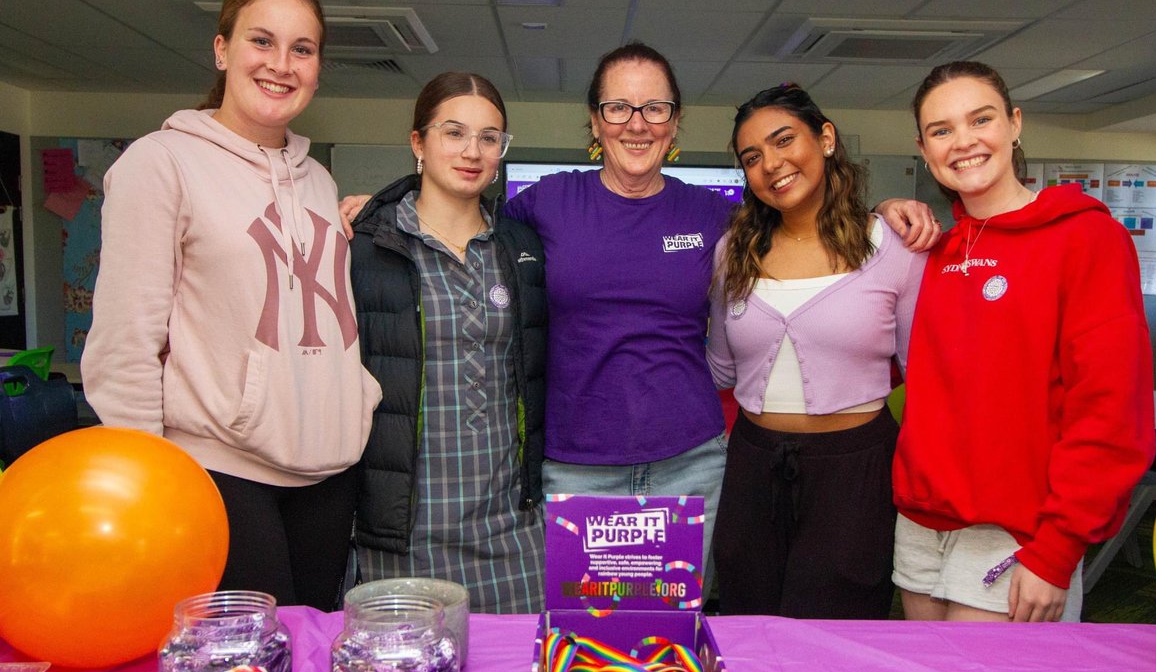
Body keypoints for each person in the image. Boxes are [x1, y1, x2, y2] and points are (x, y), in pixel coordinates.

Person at [342, 42, 939, 593]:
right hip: (575, 469)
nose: (637, 122)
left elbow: (801, 221)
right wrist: (385, 207)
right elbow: (458, 211)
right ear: (596, 122)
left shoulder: (714, 215)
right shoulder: (545, 204)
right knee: (585, 636)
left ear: (675, 122)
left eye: (654, 107)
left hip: (692, 464)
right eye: (618, 107)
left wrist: (886, 212)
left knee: (676, 632)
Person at [82, 0, 381, 611]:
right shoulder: (161, 163)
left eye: (302, 49)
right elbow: (125, 342)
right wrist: (149, 483)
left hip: (328, 473)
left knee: (311, 665)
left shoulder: (320, 181)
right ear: (222, 50)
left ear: (319, 68)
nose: (281, 64)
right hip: (224, 473)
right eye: (262, 41)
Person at [893, 60, 1155, 623]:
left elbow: (1111, 410)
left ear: (1014, 123)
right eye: (942, 130)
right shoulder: (937, 250)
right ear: (923, 147)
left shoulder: (1087, 238)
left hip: (1018, 530)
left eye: (980, 119)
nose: (963, 142)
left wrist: (1059, 548)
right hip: (922, 523)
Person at [706, 84, 926, 619]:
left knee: (837, 628)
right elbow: (721, 366)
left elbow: (924, 368)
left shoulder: (894, 247)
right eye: (752, 157)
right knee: (745, 619)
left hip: (855, 468)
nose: (771, 165)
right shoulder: (732, 251)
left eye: (784, 141)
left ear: (825, 138)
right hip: (753, 464)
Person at [349, 72, 548, 614]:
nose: (472, 151)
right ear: (418, 143)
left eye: (489, 138)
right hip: (404, 536)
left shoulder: (519, 246)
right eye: (454, 132)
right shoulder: (365, 248)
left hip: (514, 534)